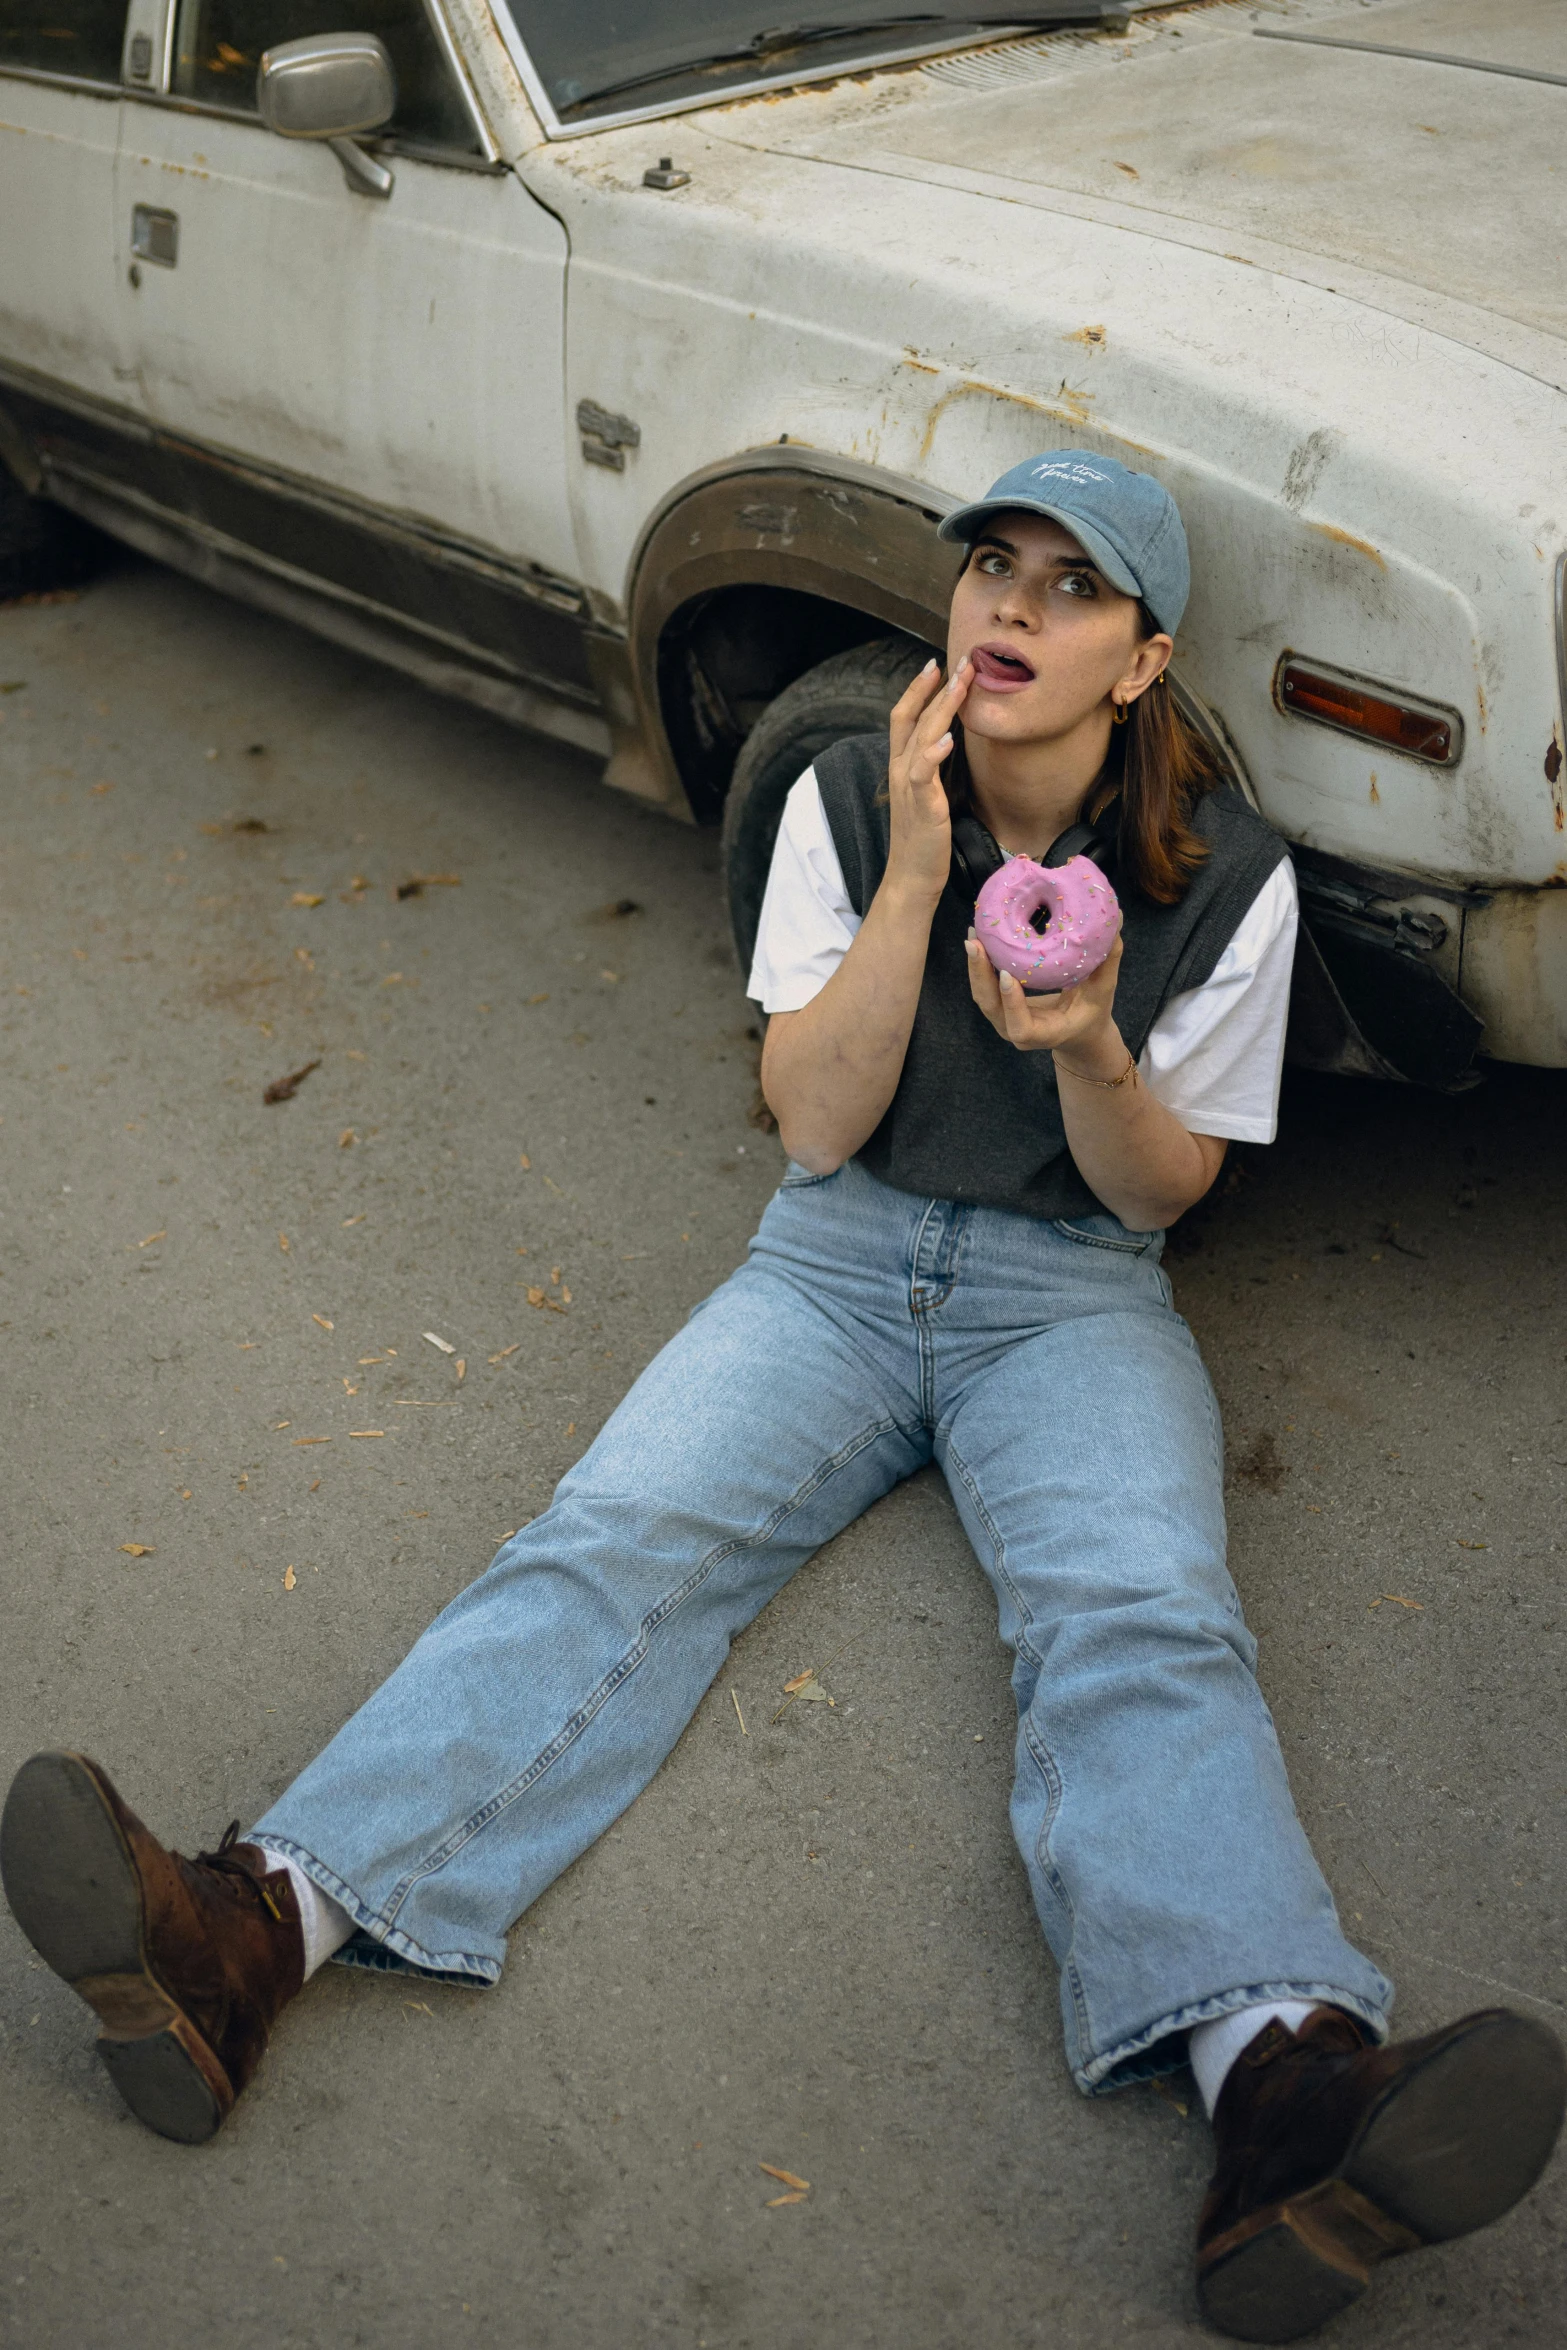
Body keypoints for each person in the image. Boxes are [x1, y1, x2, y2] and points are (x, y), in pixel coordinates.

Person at [3, 451, 1560, 2342]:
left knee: (1138, 1620)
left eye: (1071, 588)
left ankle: (1281, 2088)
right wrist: (915, 875)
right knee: (610, 1543)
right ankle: (253, 1934)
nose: (1009, 607)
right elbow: (813, 1116)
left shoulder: (1222, 875)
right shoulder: (846, 792)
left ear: (1141, 661)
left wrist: (1079, 1046)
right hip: (833, 1259)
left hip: (1070, 1293)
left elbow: (1162, 1191)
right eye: (991, 565)